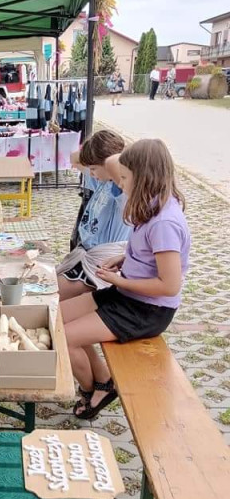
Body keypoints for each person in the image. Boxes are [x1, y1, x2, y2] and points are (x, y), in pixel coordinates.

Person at [62, 139, 190, 420]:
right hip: (129, 296)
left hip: (146, 310)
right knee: (56, 317)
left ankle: (93, 392)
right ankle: (103, 378)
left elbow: (169, 285)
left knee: (63, 338)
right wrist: (125, 260)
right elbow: (149, 255)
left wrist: (119, 281)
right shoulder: (153, 205)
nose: (120, 184)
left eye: (125, 178)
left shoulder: (165, 222)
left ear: (144, 177)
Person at [57, 130, 131, 302]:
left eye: (94, 169)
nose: (91, 173)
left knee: (47, 297)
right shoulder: (101, 180)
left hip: (100, 264)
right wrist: (94, 150)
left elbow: (114, 164)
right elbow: (74, 158)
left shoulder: (121, 189)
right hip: (86, 257)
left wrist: (117, 155)